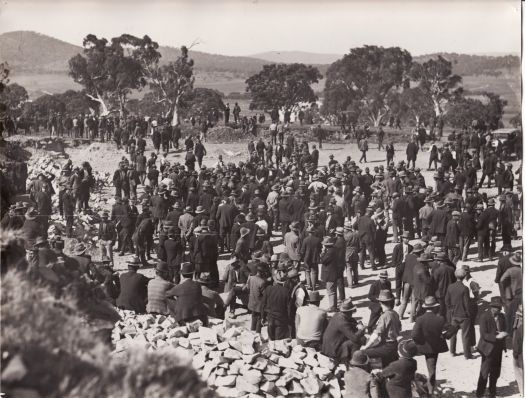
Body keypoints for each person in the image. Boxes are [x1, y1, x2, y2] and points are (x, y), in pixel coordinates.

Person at [412, 296, 448, 396]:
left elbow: (414, 335)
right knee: (432, 369)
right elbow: (446, 331)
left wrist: (420, 342)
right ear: (435, 307)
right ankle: (431, 390)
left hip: (422, 347)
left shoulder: (420, 319)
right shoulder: (440, 319)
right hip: (434, 348)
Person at [476, 297, 507, 398]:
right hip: (487, 349)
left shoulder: (502, 316)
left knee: (495, 372)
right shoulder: (484, 317)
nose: (498, 310)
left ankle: (492, 392)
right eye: (496, 308)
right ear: (491, 307)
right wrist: (496, 336)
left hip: (498, 349)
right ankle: (479, 393)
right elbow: (484, 334)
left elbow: (505, 328)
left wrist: (504, 333)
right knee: (484, 373)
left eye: (499, 308)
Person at [362, 290, 402, 368]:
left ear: (380, 303)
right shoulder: (395, 313)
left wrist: (366, 347)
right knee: (390, 367)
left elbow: (376, 335)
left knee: (362, 354)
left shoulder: (384, 316)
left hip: (387, 345)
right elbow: (399, 328)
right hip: (394, 344)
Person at [445, 268, 473, 359]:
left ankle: (452, 352)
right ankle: (467, 355)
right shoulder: (465, 288)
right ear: (464, 276)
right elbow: (467, 303)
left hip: (454, 315)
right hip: (464, 315)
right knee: (465, 335)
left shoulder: (450, 287)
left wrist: (451, 309)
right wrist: (468, 313)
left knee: (453, 334)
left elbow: (447, 301)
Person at [261, 271, 291, 340]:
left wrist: (263, 317)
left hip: (270, 319)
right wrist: (288, 320)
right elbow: (288, 308)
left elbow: (263, 304)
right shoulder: (286, 291)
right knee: (278, 342)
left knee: (271, 340)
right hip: (281, 320)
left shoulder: (268, 289)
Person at [245, 263, 268, 333]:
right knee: (259, 320)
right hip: (259, 305)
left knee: (253, 317)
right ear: (261, 272)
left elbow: (248, 288)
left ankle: (252, 332)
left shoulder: (251, 278)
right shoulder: (262, 282)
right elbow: (265, 295)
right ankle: (257, 334)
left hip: (252, 302)